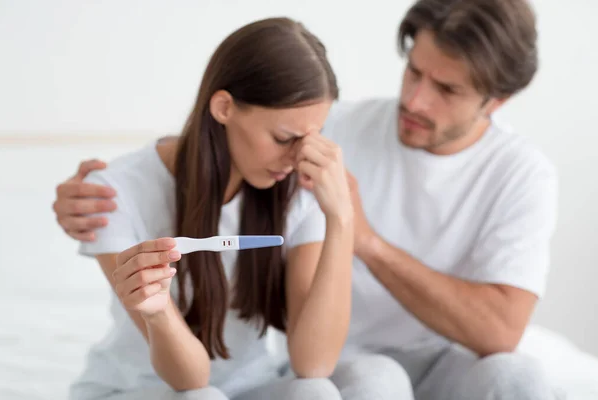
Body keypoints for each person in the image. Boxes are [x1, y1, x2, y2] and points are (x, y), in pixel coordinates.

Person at [54, 1, 560, 399]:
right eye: (413, 73)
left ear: (496, 101)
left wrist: (349, 227)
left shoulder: (300, 166)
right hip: (228, 378)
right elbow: (205, 145)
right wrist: (97, 200)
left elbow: (500, 330)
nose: (415, 100)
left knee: (516, 379)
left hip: (366, 366)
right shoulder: (311, 135)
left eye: (446, 89)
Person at [55, 17, 411, 400]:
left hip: (250, 387)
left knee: (346, 385)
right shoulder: (116, 192)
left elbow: (314, 364)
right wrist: (157, 311)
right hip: (146, 389)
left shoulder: (299, 190)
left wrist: (341, 218)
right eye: (283, 138)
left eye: (312, 137)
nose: (297, 157)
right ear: (224, 107)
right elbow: (191, 380)